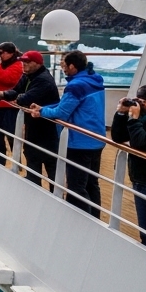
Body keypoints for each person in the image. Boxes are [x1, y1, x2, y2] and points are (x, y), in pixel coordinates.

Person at [32, 50, 106, 216]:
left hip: (79, 142)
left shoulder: (75, 86)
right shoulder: (95, 79)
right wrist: (45, 108)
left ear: (72, 66)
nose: (63, 69)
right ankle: (95, 219)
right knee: (92, 184)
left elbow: (61, 113)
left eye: (64, 66)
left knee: (76, 187)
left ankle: (80, 222)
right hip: (96, 138)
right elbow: (69, 106)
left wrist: (41, 112)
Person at [0, 51, 60, 187]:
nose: (24, 64)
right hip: (33, 125)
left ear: (38, 63)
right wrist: (3, 94)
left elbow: (25, 98)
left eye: (27, 62)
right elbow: (17, 91)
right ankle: (34, 187)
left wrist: (11, 96)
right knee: (31, 154)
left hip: (46, 128)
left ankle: (55, 195)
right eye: (23, 61)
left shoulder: (44, 80)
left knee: (49, 161)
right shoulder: (28, 76)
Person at [110, 85, 146, 247]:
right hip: (141, 178)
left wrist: (133, 120)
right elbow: (118, 137)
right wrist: (121, 113)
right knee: (145, 229)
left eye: (144, 102)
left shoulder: (139, 119)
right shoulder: (143, 118)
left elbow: (143, 142)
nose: (141, 105)